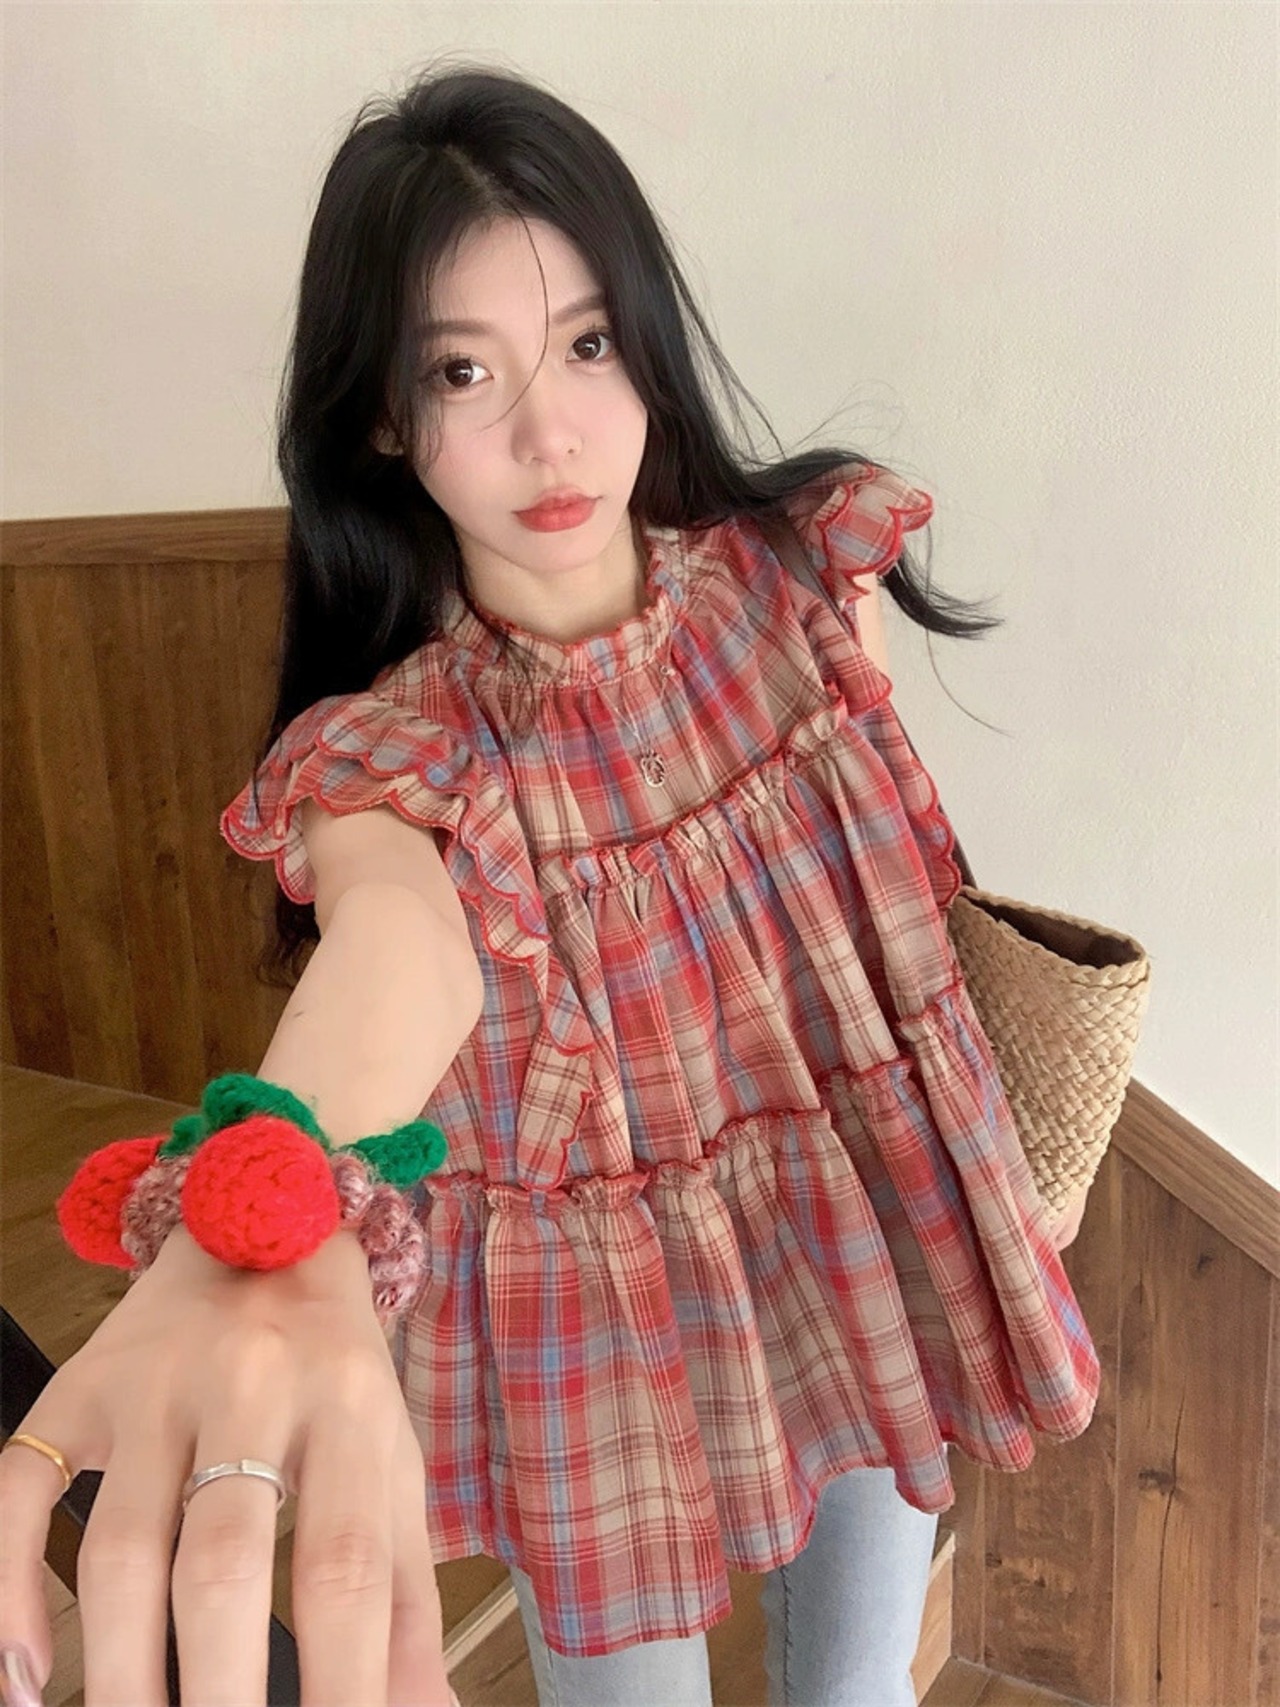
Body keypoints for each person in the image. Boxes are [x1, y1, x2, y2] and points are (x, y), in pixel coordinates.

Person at [0, 61, 1099, 1707]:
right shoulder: (392, 754)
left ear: (646, 337)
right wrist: (259, 1215)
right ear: (386, 416)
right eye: (464, 370)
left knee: (858, 1690)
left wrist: (988, 1145)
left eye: (586, 345)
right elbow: (401, 948)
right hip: (595, 1331)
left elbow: (892, 910)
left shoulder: (809, 581)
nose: (550, 432)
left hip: (850, 1227)